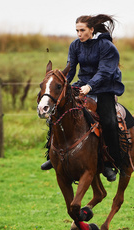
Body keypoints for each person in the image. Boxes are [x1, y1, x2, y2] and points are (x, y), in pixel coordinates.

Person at [41, 14, 125, 182]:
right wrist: (64, 85)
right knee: (58, 111)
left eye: (82, 30)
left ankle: (110, 163)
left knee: (108, 121)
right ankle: (52, 154)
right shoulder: (75, 46)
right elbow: (70, 71)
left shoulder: (106, 46)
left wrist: (90, 86)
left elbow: (105, 71)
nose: (79, 34)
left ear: (91, 30)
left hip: (105, 88)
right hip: (82, 85)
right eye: (77, 31)